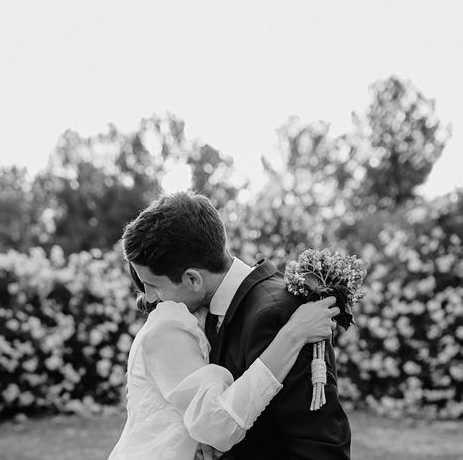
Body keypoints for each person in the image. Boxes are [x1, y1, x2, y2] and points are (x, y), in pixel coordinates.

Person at [110, 191, 351, 460]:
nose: (149, 298)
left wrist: (292, 335)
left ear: (193, 279)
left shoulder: (278, 313)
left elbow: (318, 446)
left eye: (153, 285)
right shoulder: (193, 317)